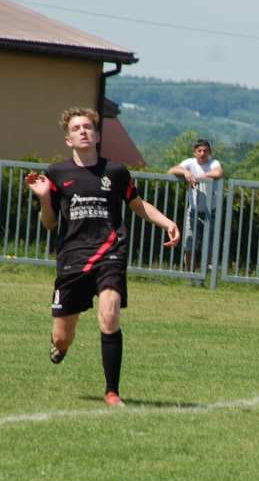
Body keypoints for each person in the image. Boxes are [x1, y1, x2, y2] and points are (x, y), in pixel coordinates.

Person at [26, 107, 180, 407]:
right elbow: (50, 223)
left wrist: (167, 222)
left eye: (87, 127)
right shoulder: (56, 173)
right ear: (69, 139)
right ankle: (61, 347)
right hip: (72, 257)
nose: (83, 131)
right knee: (61, 337)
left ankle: (112, 392)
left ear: (97, 135)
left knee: (109, 313)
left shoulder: (116, 172)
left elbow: (138, 204)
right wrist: (45, 197)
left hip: (110, 250)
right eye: (76, 128)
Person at [167, 138, 223, 273]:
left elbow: (218, 173)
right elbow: (171, 170)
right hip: (193, 211)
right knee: (189, 243)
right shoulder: (189, 163)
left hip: (211, 212)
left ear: (210, 152)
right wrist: (186, 172)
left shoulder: (214, 163)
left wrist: (202, 177)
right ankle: (189, 275)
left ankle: (205, 276)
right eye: (199, 151)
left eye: (205, 150)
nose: (203, 153)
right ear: (194, 152)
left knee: (209, 245)